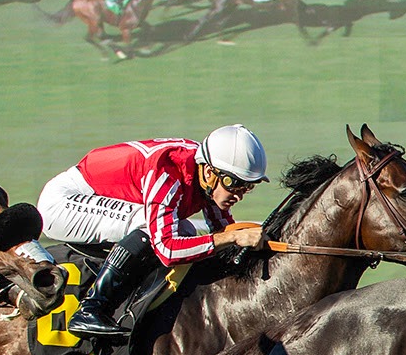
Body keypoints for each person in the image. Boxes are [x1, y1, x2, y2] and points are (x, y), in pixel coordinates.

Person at [38, 125, 269, 338]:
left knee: (186, 229)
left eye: (248, 187)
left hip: (95, 197)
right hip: (63, 203)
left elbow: (223, 228)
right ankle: (91, 307)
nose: (239, 194)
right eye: (235, 184)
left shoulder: (204, 173)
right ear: (209, 172)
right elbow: (167, 249)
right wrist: (231, 237)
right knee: (148, 224)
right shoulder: (167, 172)